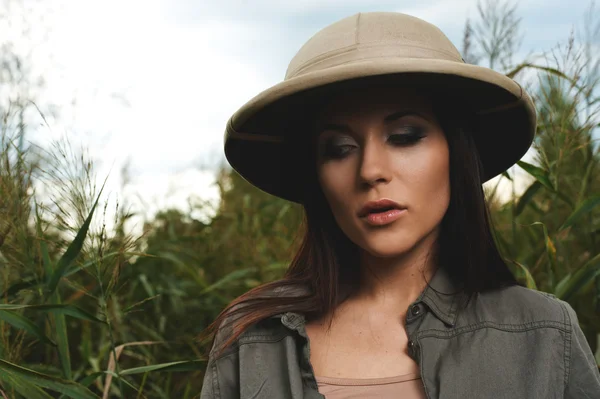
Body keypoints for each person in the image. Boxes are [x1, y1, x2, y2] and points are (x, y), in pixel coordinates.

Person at [200, 12, 600, 399]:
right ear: (316, 176)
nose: (371, 170)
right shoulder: (253, 339)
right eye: (339, 148)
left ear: (455, 153)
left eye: (405, 136)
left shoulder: (544, 334)